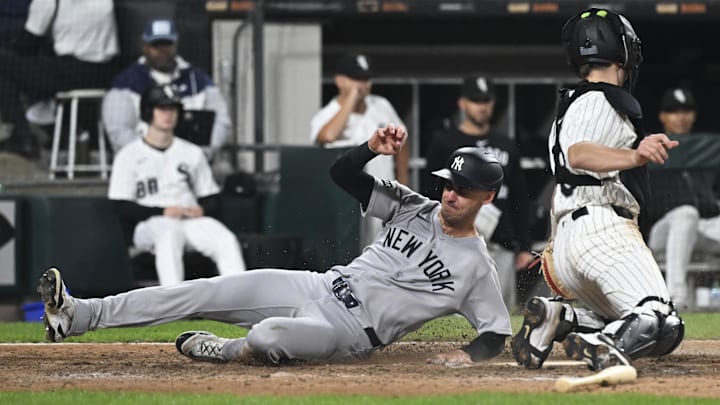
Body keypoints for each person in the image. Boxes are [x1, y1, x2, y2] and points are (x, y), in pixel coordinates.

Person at [39, 124, 512, 367]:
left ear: (486, 198)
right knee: (200, 291)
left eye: (463, 190)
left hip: (348, 334)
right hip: (316, 287)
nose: (450, 195)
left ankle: (226, 351)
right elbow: (342, 175)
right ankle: (79, 315)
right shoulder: (412, 206)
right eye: (449, 184)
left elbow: (496, 331)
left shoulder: (475, 266)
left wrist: (468, 355)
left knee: (267, 336)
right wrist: (369, 148)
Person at [510, 8, 685, 372]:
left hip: (572, 239)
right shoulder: (601, 97)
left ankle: (560, 319)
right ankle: (603, 346)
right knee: (659, 318)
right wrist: (636, 154)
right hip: (601, 233)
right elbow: (579, 155)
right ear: (622, 50)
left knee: (637, 323)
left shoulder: (577, 102)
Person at [108, 84, 246, 286]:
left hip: (190, 219)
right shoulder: (129, 155)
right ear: (148, 112)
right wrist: (163, 211)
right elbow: (121, 207)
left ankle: (241, 300)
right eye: (162, 108)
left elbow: (213, 200)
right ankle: (173, 304)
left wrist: (202, 209)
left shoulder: (191, 152)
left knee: (225, 238)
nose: (168, 114)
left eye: (172, 109)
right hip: (151, 223)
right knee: (169, 235)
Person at [424, 76, 534, 309]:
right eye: (475, 100)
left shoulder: (505, 144)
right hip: (456, 243)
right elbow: (430, 194)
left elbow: (520, 197)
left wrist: (524, 245)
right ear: (462, 103)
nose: (482, 106)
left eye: (486, 100)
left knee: (499, 312)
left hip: (499, 244)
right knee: (453, 312)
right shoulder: (445, 143)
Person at [310, 53, 410, 249]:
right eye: (356, 79)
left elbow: (403, 139)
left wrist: (403, 182)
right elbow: (327, 136)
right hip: (348, 204)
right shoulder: (328, 114)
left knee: (386, 252)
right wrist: (350, 98)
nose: (363, 85)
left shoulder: (380, 105)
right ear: (340, 80)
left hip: (384, 194)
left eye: (366, 79)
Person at [0, 0, 119, 158]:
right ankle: (45, 114)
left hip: (73, 73)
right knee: (22, 70)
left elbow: (28, 41)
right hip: (107, 72)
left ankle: (23, 137)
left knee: (5, 64)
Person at [102, 17, 231, 160]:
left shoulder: (198, 79)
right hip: (144, 166)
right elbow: (119, 131)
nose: (162, 51)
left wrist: (204, 153)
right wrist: (153, 157)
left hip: (194, 163)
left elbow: (221, 122)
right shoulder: (126, 82)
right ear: (145, 46)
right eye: (156, 45)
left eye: (167, 44)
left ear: (176, 44)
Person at [646, 88, 720, 308]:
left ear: (694, 115)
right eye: (673, 111)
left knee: (692, 215)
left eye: (686, 111)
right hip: (662, 231)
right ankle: (675, 298)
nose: (681, 117)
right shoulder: (650, 149)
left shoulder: (706, 152)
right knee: (686, 213)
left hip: (701, 228)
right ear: (662, 116)